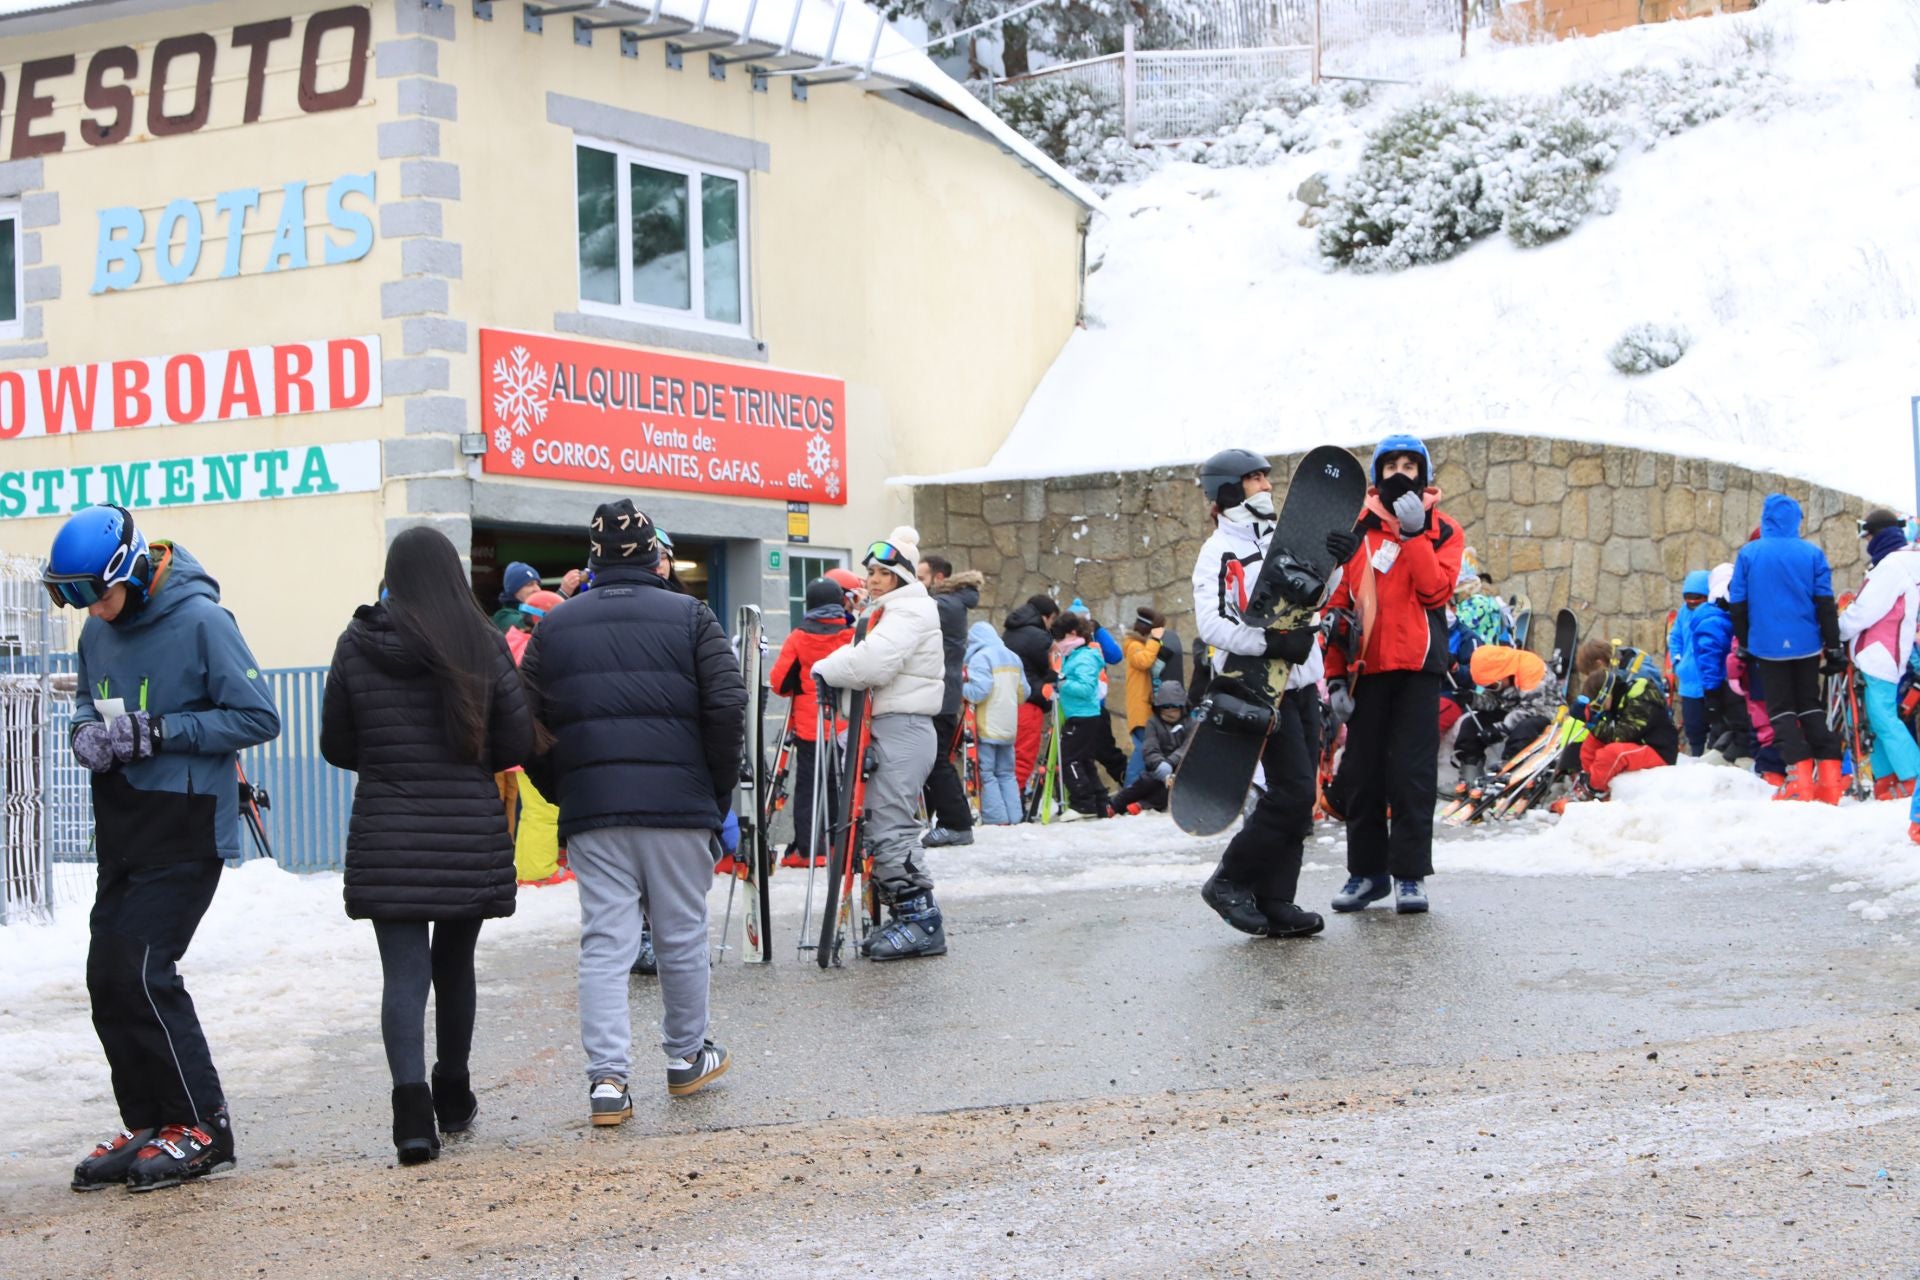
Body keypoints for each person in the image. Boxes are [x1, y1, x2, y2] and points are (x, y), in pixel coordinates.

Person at [49, 505, 281, 1193]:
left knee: (146, 972)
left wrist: (160, 732)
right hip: (124, 824)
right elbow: (89, 704)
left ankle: (203, 1126)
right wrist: (86, 732)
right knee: (107, 978)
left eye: (94, 593)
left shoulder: (203, 622)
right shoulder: (98, 634)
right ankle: (152, 1121)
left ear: (131, 574)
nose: (87, 611)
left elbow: (258, 716)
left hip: (186, 824)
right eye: (70, 596)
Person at [519, 500, 744, 1125]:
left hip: (595, 811)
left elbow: (524, 722)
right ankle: (685, 1058)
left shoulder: (554, 627)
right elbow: (727, 711)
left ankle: (608, 1084)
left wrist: (565, 788)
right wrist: (714, 792)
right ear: (655, 556)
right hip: (678, 806)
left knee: (605, 944)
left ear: (593, 559)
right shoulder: (692, 616)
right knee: (680, 935)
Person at [319, 527, 532, 1165]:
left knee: (403, 975)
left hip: (389, 831)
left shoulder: (356, 643)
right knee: (455, 964)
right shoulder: (483, 641)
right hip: (466, 829)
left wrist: (389, 762)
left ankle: (412, 1119)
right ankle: (455, 1093)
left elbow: (335, 745)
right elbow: (518, 743)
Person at [1189, 447, 1331, 939]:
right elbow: (1212, 623)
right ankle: (1229, 881)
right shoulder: (1216, 552)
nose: (1268, 487)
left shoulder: (1279, 538)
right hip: (1256, 685)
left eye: (1268, 478)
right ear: (1228, 490)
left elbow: (1312, 599)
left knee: (1300, 795)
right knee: (1290, 794)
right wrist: (1268, 640)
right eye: (1254, 479)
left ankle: (1276, 899)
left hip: (1302, 680)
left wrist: (1335, 563)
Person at [1322, 434, 1463, 916]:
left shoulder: (1444, 530)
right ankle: (1366, 873)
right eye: (1390, 466)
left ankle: (1408, 877)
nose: (1400, 473)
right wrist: (1335, 678)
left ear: (1423, 473)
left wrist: (1414, 534)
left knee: (1412, 777)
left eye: (1410, 465)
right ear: (1376, 474)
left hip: (1419, 669)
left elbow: (1436, 592)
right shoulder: (1355, 529)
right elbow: (1338, 610)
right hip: (1367, 671)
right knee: (1361, 776)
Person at [811, 526, 948, 960]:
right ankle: (903, 914)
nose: (872, 579)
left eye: (884, 573)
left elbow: (873, 664)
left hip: (903, 726)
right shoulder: (888, 612)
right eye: (870, 571)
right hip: (889, 724)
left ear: (903, 578)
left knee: (889, 823)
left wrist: (824, 667)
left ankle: (921, 920)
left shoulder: (911, 611)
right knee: (877, 820)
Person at [1728, 493, 1844, 803]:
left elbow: (1737, 604)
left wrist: (1745, 643)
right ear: (1796, 520)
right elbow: (1825, 604)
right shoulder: (1812, 553)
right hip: (1807, 643)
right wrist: (1833, 647)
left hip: (1767, 646)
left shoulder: (1749, 554)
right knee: (1809, 706)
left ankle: (1800, 781)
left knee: (1781, 712)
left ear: (1766, 518)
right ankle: (1831, 782)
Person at [770, 577, 855, 868]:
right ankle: (837, 844)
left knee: (808, 788)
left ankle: (809, 848)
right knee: (839, 786)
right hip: (845, 725)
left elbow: (779, 683)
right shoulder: (852, 635)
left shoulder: (798, 637)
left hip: (810, 726)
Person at [1839, 510, 1920, 801]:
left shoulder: (1892, 566)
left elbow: (1865, 611)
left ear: (1879, 535)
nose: (1867, 543)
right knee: (1872, 718)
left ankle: (1913, 777)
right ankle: (1887, 777)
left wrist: (1839, 629)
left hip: (1879, 652)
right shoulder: (1904, 563)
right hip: (1884, 651)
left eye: (1869, 536)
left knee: (1883, 718)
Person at [503, 590, 569, 886]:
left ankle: (531, 865)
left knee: (531, 809)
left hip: (516, 741)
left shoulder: (510, 642)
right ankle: (539, 869)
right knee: (544, 808)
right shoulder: (534, 649)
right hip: (534, 741)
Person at [918, 554, 984, 848]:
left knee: (936, 760)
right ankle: (942, 819)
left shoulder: (944, 605)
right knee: (932, 758)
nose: (917, 584)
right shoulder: (950, 602)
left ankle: (956, 823)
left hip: (940, 694)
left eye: (921, 578)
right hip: (940, 691)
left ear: (938, 578)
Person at [1569, 640, 1679, 798]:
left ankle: (1595, 789)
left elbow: (1621, 736)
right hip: (1637, 742)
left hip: (1657, 749)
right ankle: (1589, 778)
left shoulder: (1639, 696)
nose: (1601, 709)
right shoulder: (1617, 695)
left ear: (1607, 695)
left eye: (1600, 704)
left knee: (1611, 754)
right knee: (1591, 742)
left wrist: (1592, 723)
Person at [1451, 645, 1555, 791]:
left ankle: (1509, 771)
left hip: (1543, 712)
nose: (1493, 687)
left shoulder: (1532, 669)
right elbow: (1494, 701)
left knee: (1524, 729)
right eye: (1488, 686)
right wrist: (1472, 699)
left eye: (1494, 684)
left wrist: (1500, 729)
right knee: (1470, 724)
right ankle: (1470, 774)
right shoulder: (1496, 673)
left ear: (1505, 673)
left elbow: (1532, 709)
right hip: (1510, 711)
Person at [962, 619, 1030, 824]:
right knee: (1007, 774)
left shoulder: (980, 658)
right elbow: (1024, 693)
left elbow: (978, 693)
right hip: (1008, 726)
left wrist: (960, 687)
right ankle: (1015, 817)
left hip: (987, 724)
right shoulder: (1013, 657)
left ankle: (997, 818)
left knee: (987, 774)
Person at [1054, 613, 1113, 818]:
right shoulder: (1077, 655)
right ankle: (1100, 801)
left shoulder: (1085, 657)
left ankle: (1082, 803)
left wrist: (1062, 682)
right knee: (1084, 759)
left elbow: (1087, 688)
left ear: (1072, 633)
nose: (1059, 643)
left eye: (1060, 638)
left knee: (1069, 758)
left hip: (1083, 715)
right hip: (1081, 713)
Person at [1002, 593, 1061, 791]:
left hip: (1005, 701)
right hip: (1029, 700)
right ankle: (1014, 800)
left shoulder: (1010, 631)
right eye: (1052, 620)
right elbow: (1050, 669)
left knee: (1004, 758)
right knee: (1023, 756)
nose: (1051, 626)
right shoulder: (1039, 637)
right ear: (1046, 616)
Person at [1690, 564, 1745, 763]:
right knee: (1739, 726)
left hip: (1726, 679)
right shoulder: (1715, 618)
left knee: (1724, 726)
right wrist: (1711, 690)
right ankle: (1726, 762)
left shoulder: (1714, 615)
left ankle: (1717, 757)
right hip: (1726, 680)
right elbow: (1710, 656)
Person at [1110, 681, 1191, 814]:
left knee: (1172, 788)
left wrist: (1171, 762)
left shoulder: (1191, 723)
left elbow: (1188, 746)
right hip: (1158, 766)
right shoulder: (1153, 722)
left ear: (1182, 706)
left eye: (1174, 706)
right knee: (1146, 782)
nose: (1170, 711)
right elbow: (1149, 747)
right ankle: (1115, 805)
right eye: (1166, 707)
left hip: (1181, 768)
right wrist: (1159, 763)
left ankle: (1143, 805)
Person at [1121, 608, 1167, 786]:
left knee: (1146, 749)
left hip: (1144, 706)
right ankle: (1130, 788)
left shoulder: (1139, 645)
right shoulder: (1134, 646)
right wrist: (1155, 640)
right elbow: (1144, 661)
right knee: (1142, 749)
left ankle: (1137, 788)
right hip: (1140, 707)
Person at [1668, 569, 1711, 756]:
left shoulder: (1714, 613)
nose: (1692, 601)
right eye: (1688, 597)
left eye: (1697, 597)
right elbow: (1675, 638)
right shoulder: (1683, 613)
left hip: (1709, 681)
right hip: (1688, 682)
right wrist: (1678, 661)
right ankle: (1697, 757)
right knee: (1693, 727)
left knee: (1714, 725)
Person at [490, 561, 541, 631]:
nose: (537, 589)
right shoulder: (503, 616)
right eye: (530, 584)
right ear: (514, 590)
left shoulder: (537, 611)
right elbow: (526, 623)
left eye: (537, 584)